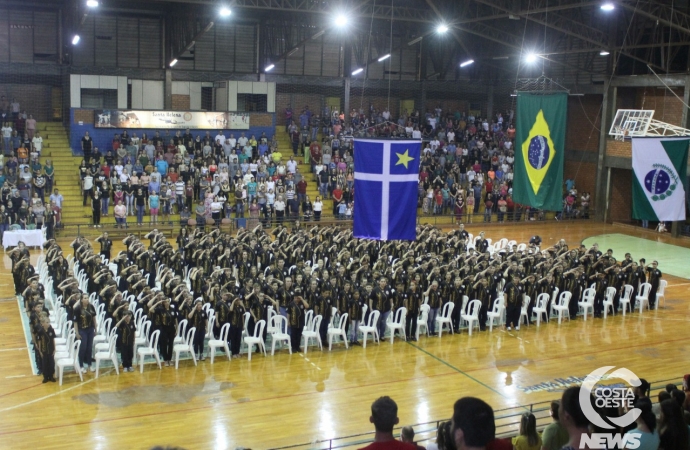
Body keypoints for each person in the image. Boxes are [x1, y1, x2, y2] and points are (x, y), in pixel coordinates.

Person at [73, 293, 97, 373]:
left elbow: (94, 318)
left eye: (87, 298)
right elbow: (75, 322)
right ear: (81, 300)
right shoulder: (77, 309)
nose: (87, 299)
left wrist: (95, 329)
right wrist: (77, 333)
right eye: (85, 298)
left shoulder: (91, 306)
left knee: (89, 347)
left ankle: (90, 365)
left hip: (90, 329)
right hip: (82, 330)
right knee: (83, 347)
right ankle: (81, 365)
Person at [35, 316, 57, 383]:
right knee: (44, 364)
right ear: (42, 323)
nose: (48, 324)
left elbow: (53, 340)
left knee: (51, 363)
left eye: (49, 322)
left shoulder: (51, 330)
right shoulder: (40, 331)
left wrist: (54, 349)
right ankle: (45, 377)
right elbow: (39, 342)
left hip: (50, 349)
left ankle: (51, 376)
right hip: (44, 350)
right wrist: (40, 350)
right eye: (47, 322)